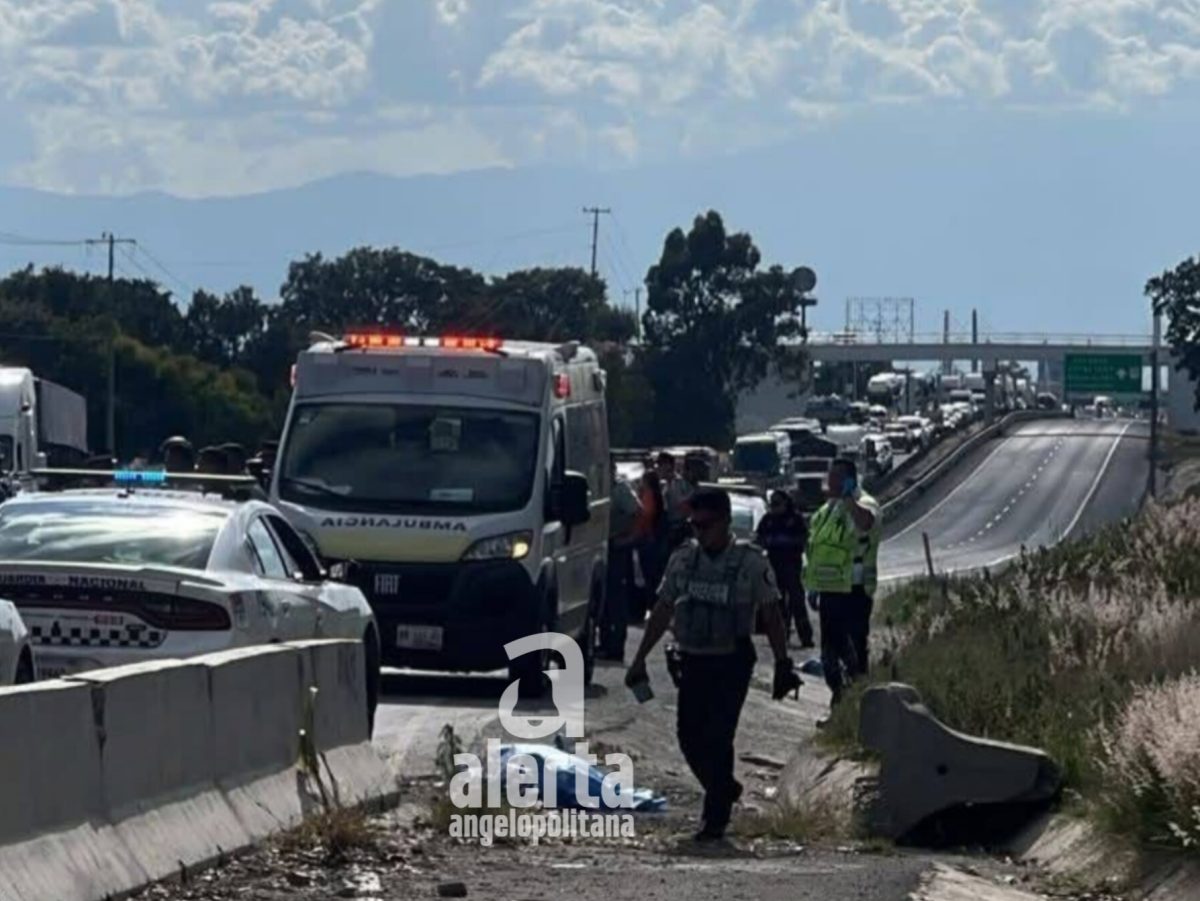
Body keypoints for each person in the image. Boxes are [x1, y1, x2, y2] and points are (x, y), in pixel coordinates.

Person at [625, 487, 800, 842]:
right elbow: (662, 610)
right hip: (692, 659)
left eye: (705, 525)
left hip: (731, 661)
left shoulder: (750, 561)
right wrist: (640, 658)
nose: (699, 532)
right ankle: (723, 787)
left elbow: (772, 612)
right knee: (689, 737)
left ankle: (714, 818)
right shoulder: (684, 560)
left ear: (723, 522)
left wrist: (783, 662)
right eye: (694, 525)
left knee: (720, 738)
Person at [803, 458, 882, 716]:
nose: (831, 482)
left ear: (849, 479)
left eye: (837, 477)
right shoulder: (826, 511)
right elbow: (815, 550)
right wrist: (812, 586)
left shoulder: (864, 503)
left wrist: (849, 499)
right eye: (830, 477)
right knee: (829, 656)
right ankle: (839, 703)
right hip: (830, 592)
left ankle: (857, 709)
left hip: (855, 590)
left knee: (854, 652)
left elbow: (865, 523)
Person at [755, 490, 814, 649]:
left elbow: (803, 539)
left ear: (785, 503)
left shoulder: (795, 519)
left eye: (777, 504)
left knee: (797, 603)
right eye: (771, 504)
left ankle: (806, 637)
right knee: (778, 605)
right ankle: (781, 637)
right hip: (774, 567)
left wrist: (784, 541)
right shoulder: (768, 520)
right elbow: (758, 539)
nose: (773, 507)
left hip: (791, 566)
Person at [601, 463, 642, 661]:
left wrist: (627, 538)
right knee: (603, 598)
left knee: (616, 598)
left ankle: (616, 646)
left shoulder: (619, 489)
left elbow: (637, 513)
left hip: (616, 548)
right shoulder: (599, 487)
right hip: (600, 547)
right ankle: (606, 642)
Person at [631, 469, 669, 624]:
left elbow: (646, 514)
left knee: (647, 576)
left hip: (647, 539)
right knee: (652, 576)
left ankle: (651, 607)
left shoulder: (649, 495)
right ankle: (653, 606)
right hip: (653, 540)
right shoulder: (659, 496)